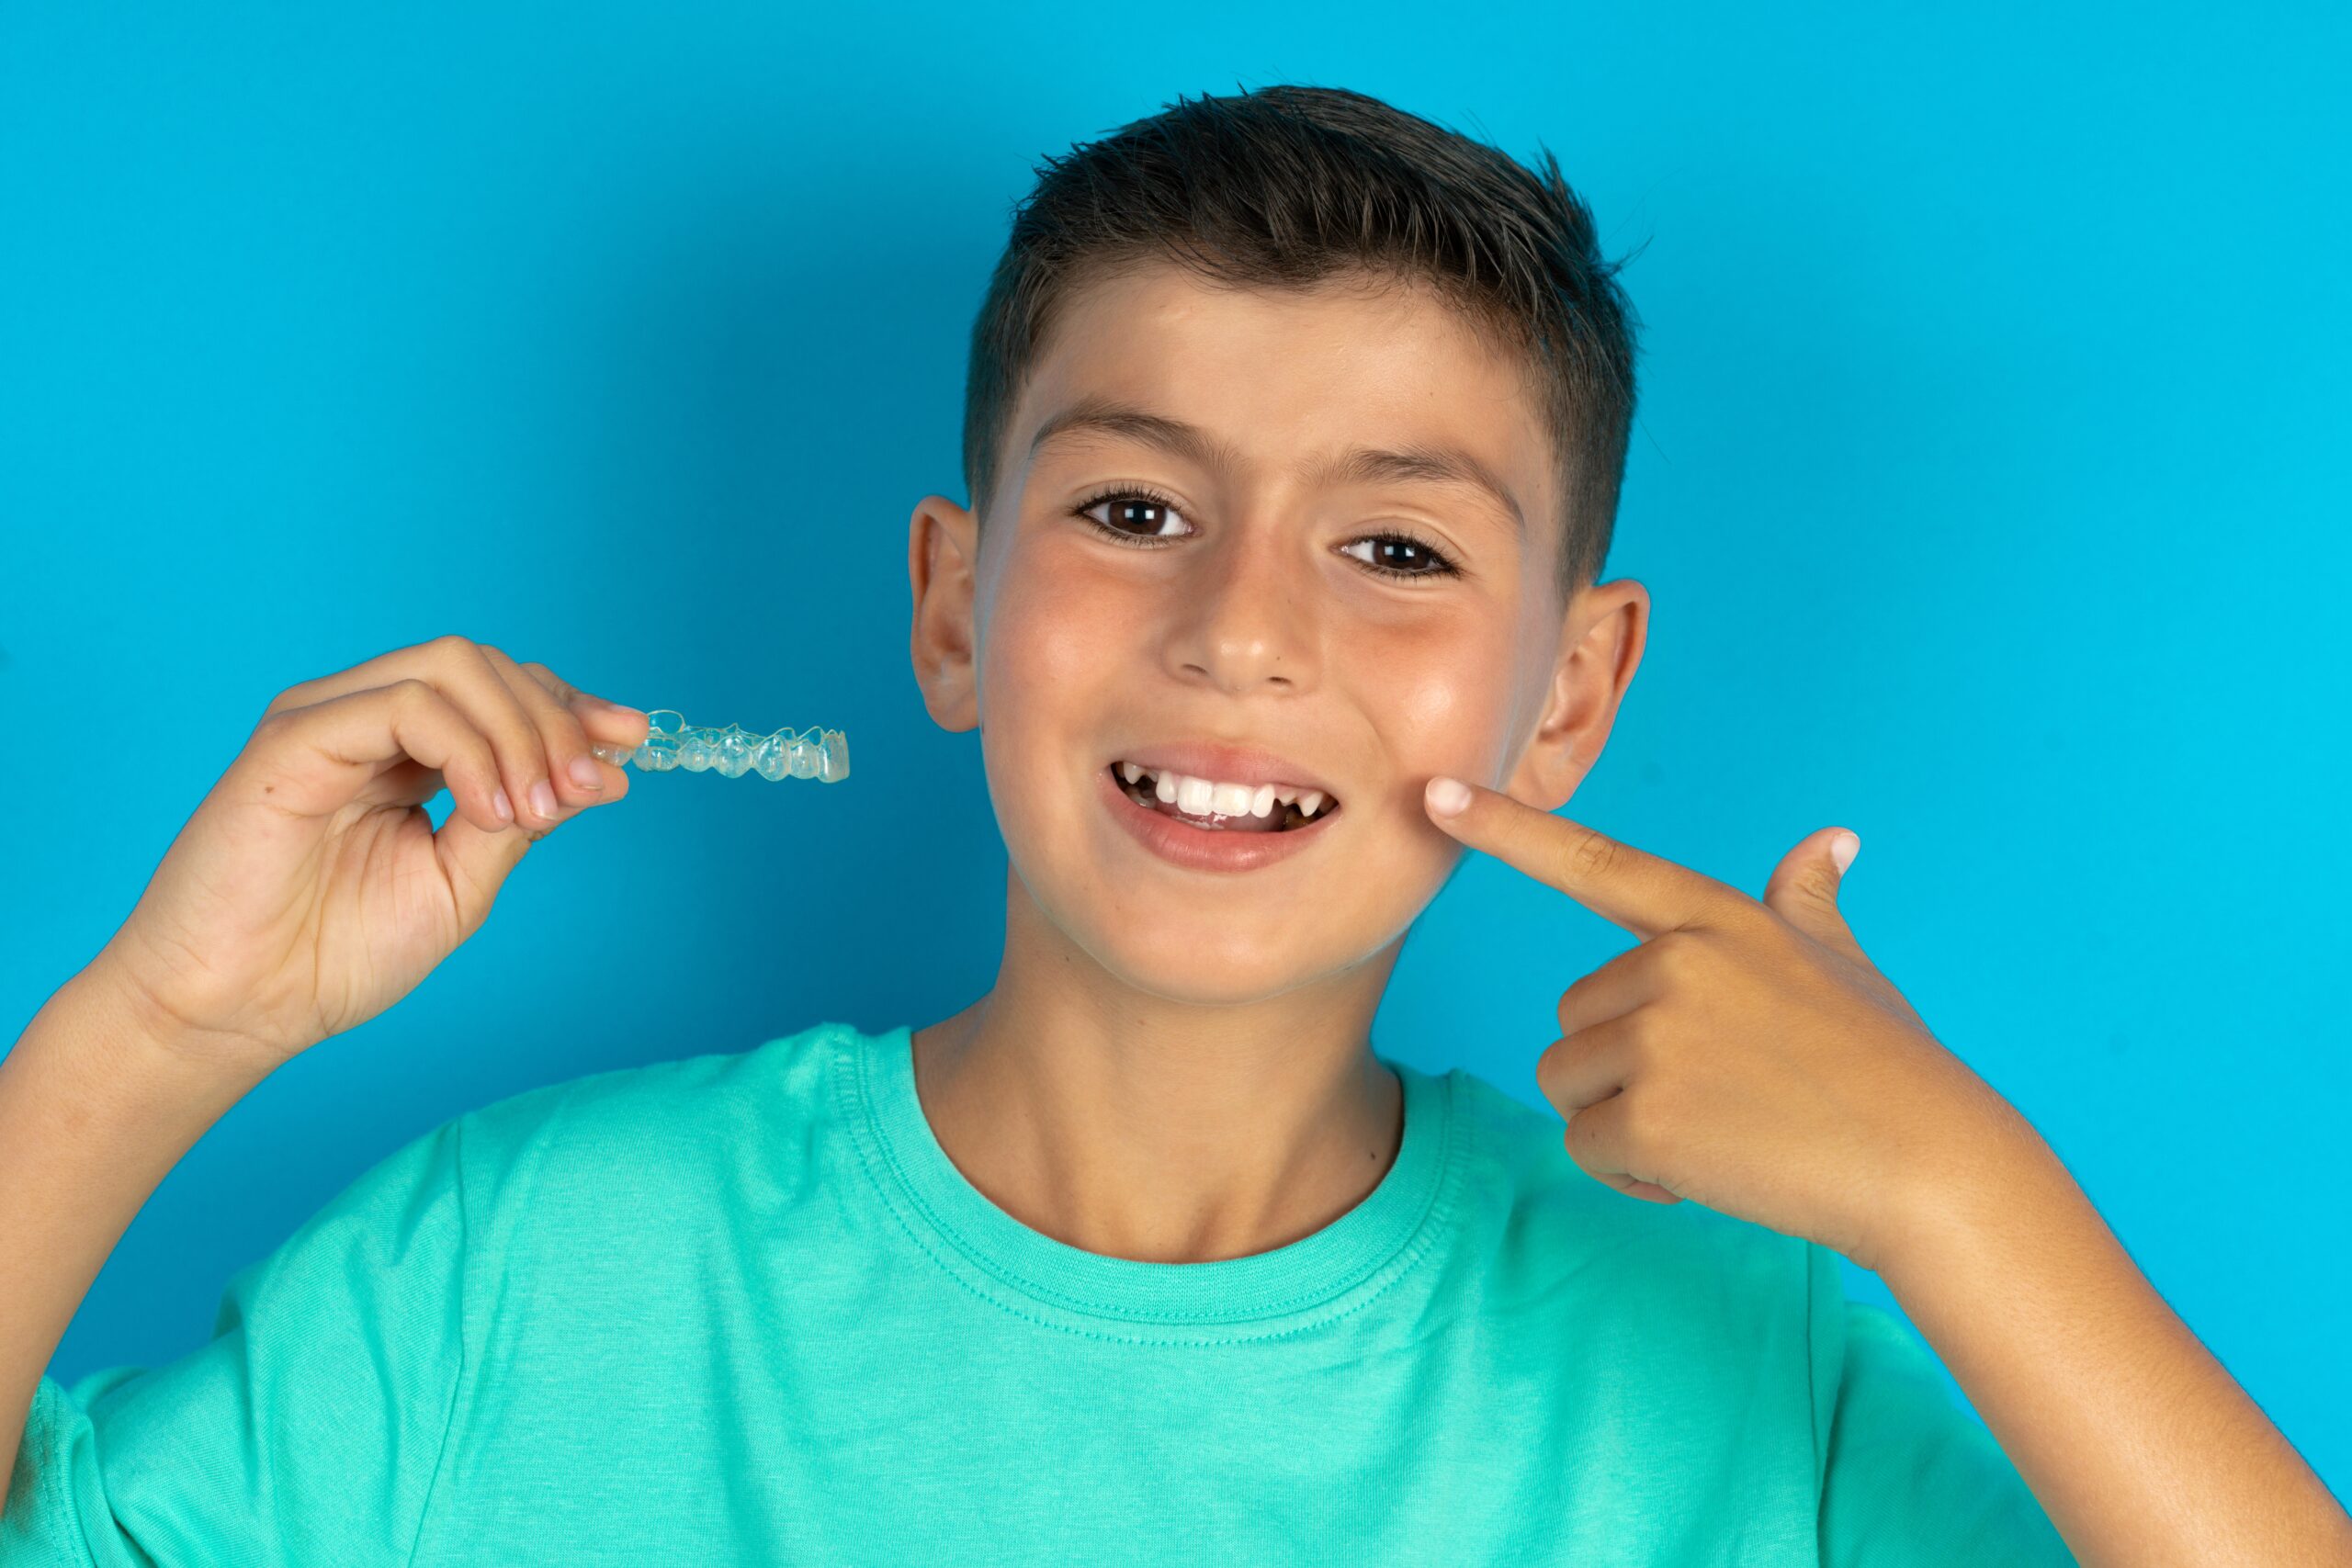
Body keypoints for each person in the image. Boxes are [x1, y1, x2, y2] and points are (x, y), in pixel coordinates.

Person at [5, 84, 2346, 1567]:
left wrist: (1959, 1191)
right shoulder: (517, 1269)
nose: (1238, 630)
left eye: (1394, 546)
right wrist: (154, 1029)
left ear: (1569, 691)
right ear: (953, 606)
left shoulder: (1755, 1371)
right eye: (1133, 507)